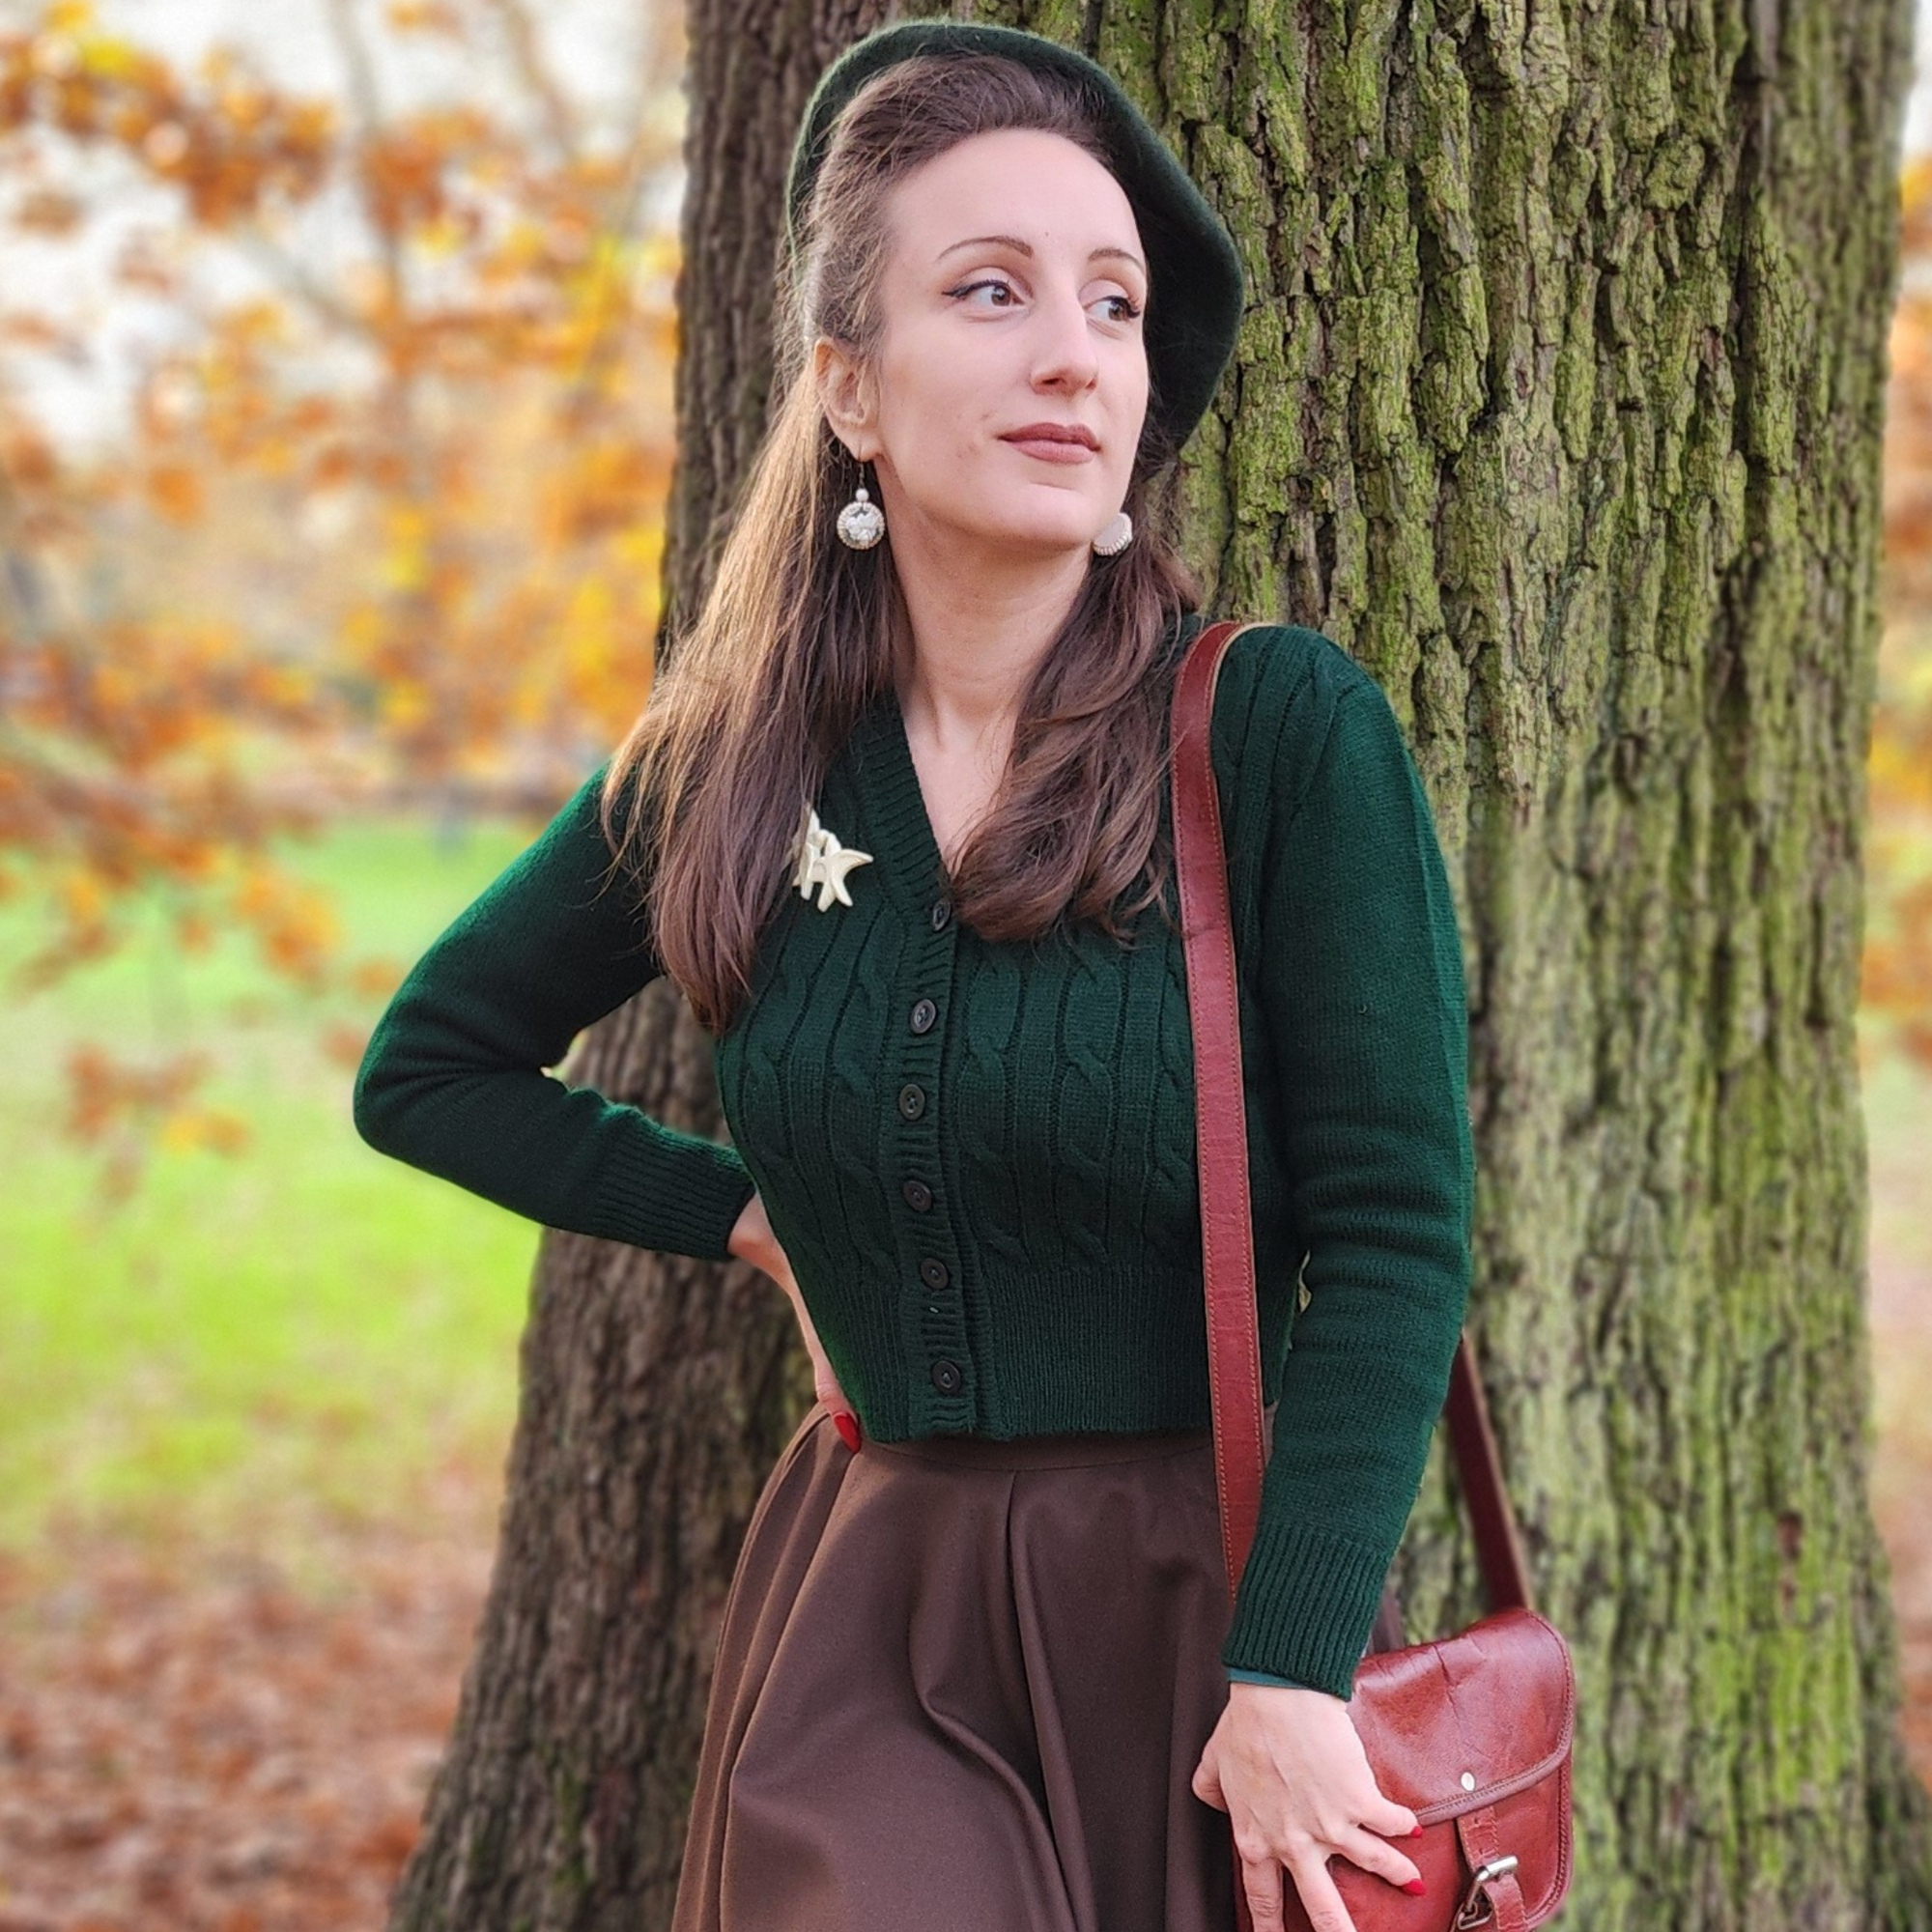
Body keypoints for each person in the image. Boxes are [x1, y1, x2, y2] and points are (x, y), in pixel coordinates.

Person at [351, 20, 1473, 1932]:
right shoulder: (734, 764)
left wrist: (1292, 1669)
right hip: (874, 1616)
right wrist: (737, 1217)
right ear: (847, 391)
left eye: (1112, 307)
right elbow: (428, 1065)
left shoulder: (1275, 728)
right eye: (991, 289)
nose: (1071, 351)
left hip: (1202, 1608)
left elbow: (1391, 1231)